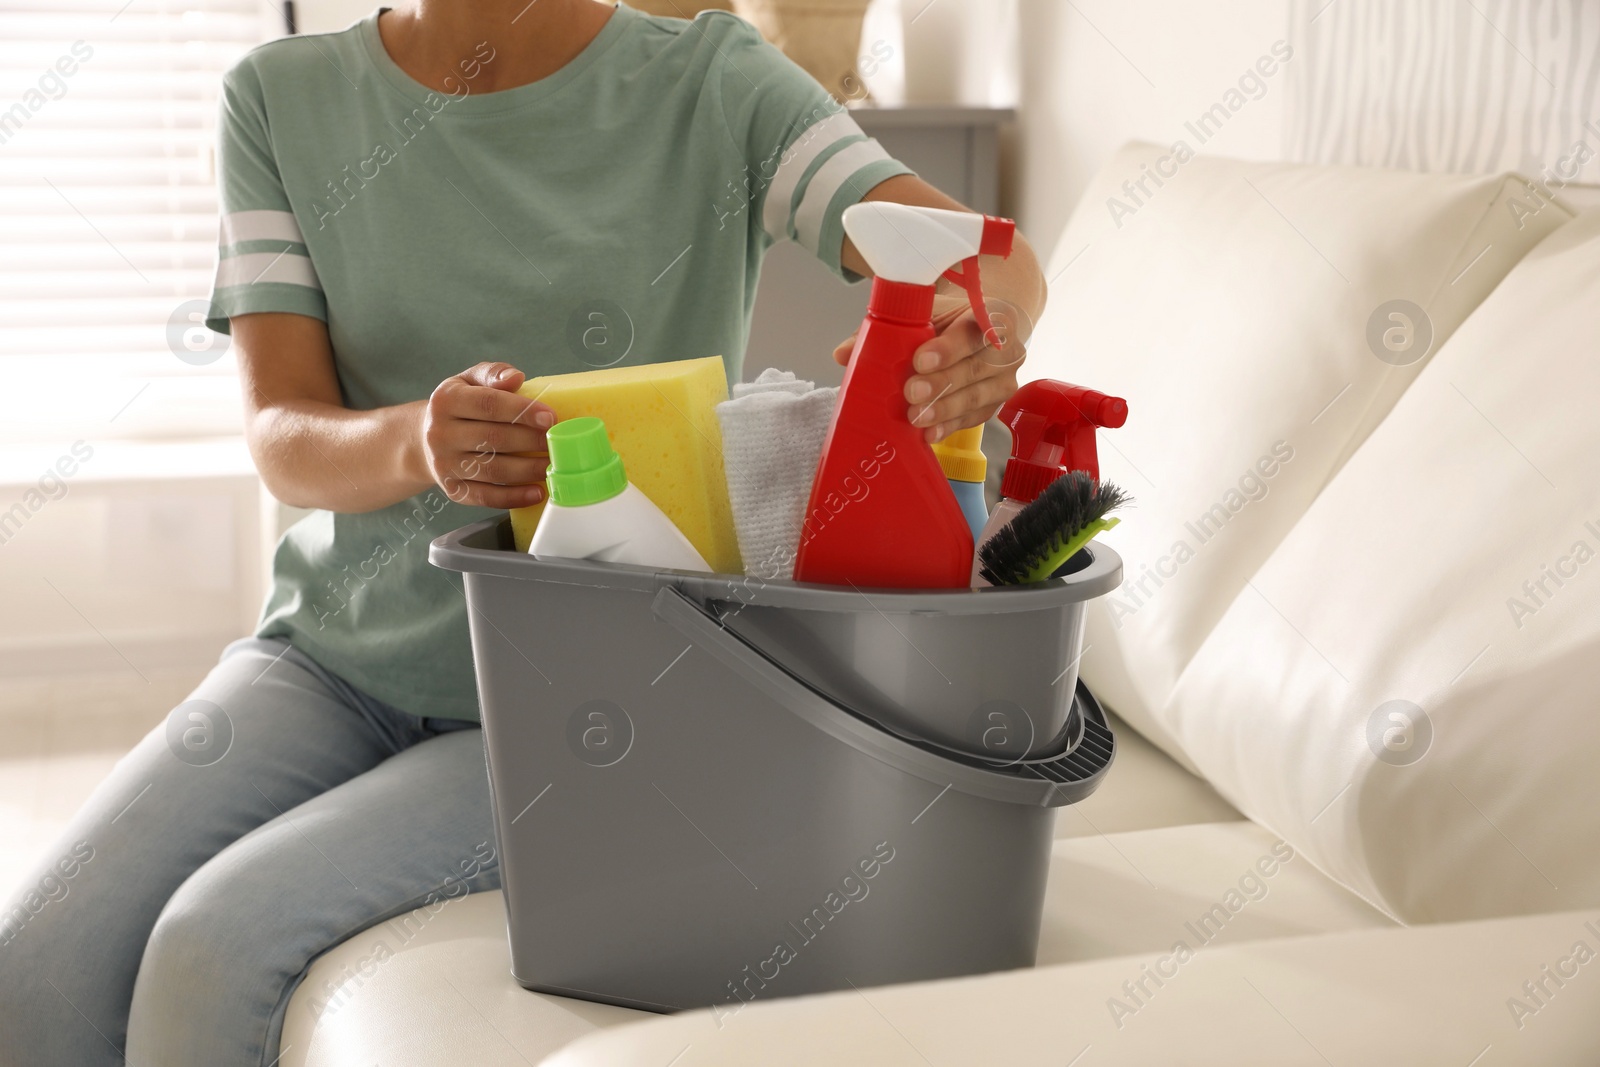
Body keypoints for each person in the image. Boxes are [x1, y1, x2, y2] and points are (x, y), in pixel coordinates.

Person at [0, 0, 1045, 1062]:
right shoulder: (279, 98)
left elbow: (984, 263)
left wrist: (985, 328)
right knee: (34, 958)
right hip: (330, 661)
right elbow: (282, 433)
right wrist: (419, 441)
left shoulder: (714, 82)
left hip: (578, 696)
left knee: (213, 941)